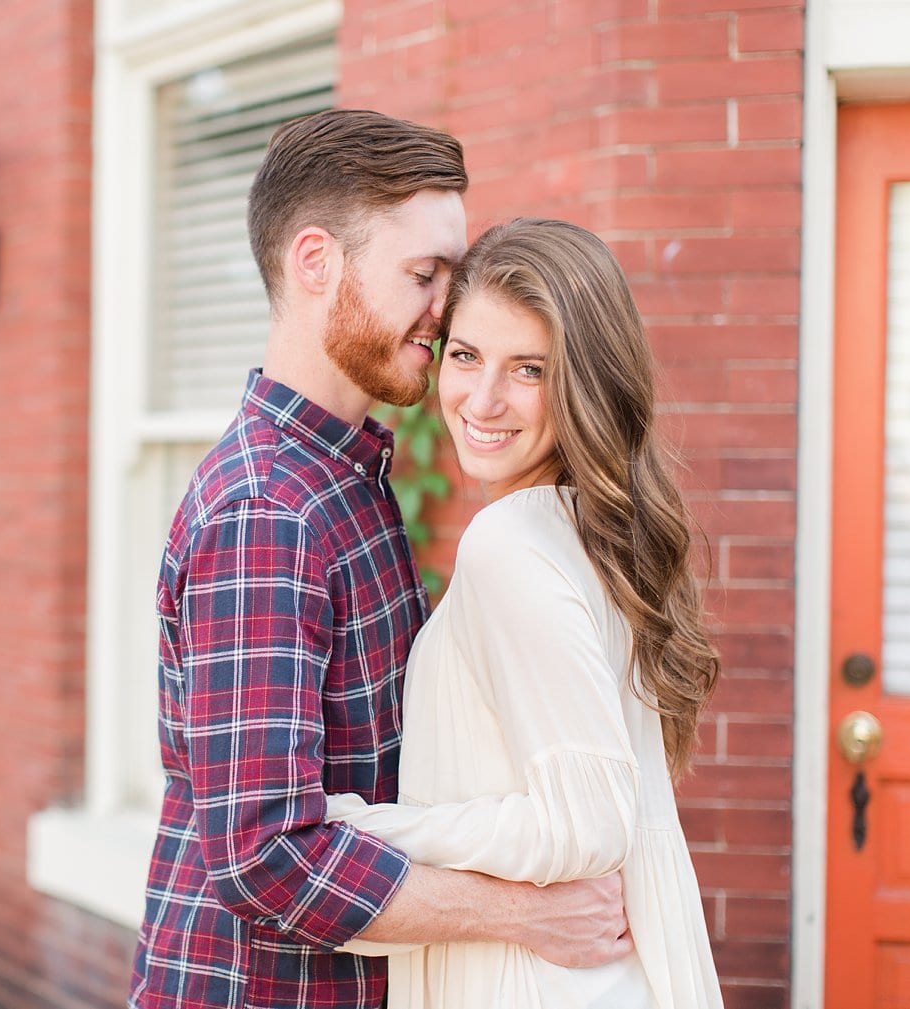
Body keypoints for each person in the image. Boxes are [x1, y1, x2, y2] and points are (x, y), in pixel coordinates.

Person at [129, 114, 632, 1009]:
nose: (447, 308)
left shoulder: (342, 474)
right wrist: (520, 913)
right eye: (424, 274)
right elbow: (264, 855)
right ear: (315, 262)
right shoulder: (266, 512)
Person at [324, 217, 725, 1007]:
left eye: (528, 369)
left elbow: (587, 823)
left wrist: (363, 828)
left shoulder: (510, 541)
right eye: (466, 355)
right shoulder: (588, 528)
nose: (482, 398)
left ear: (584, 381)